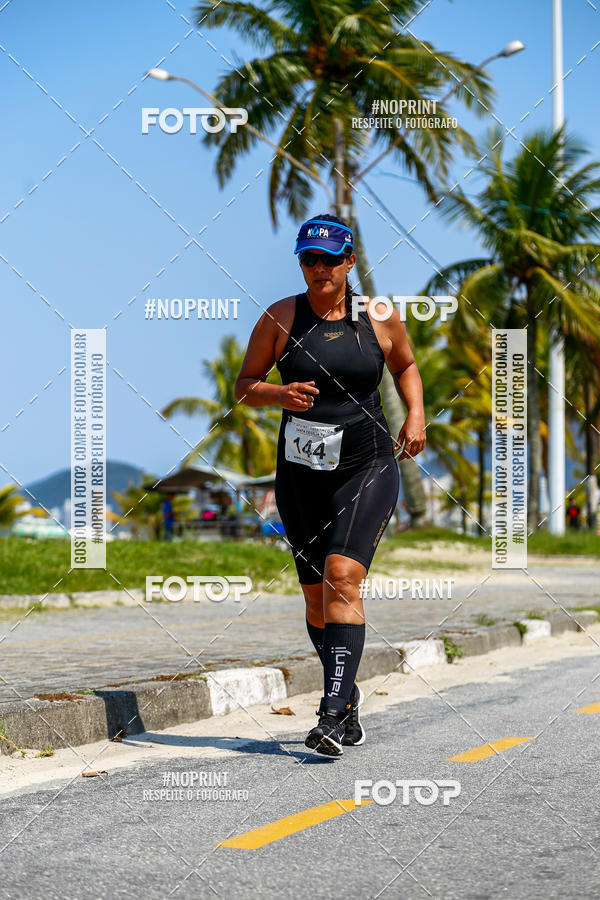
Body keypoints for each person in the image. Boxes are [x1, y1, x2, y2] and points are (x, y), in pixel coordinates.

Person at [234, 214, 426, 756]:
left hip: (366, 468)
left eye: (328, 259)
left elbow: (406, 366)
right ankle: (348, 697)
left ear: (349, 262)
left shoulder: (379, 316)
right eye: (308, 260)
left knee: (343, 578)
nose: (318, 269)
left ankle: (328, 716)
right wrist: (278, 395)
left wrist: (416, 416)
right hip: (301, 478)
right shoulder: (281, 317)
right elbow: (245, 386)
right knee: (318, 603)